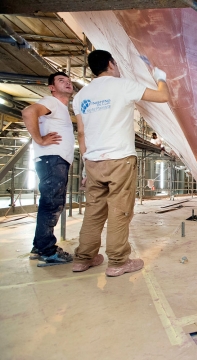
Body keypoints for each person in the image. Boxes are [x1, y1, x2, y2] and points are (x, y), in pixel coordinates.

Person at [72, 50, 170, 276]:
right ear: (110, 64)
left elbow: (82, 134)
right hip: (120, 159)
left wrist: (87, 162)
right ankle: (117, 262)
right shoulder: (122, 86)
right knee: (119, 211)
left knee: (93, 212)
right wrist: (160, 77)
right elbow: (162, 96)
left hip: (93, 161)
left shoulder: (81, 96)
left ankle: (83, 259)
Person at [22, 72, 75, 266]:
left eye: (68, 80)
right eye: (61, 80)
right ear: (52, 87)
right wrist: (40, 139)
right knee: (52, 204)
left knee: (52, 203)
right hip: (52, 159)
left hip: (54, 160)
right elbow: (28, 112)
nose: (67, 82)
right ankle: (48, 251)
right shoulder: (51, 102)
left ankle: (39, 245)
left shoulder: (59, 107)